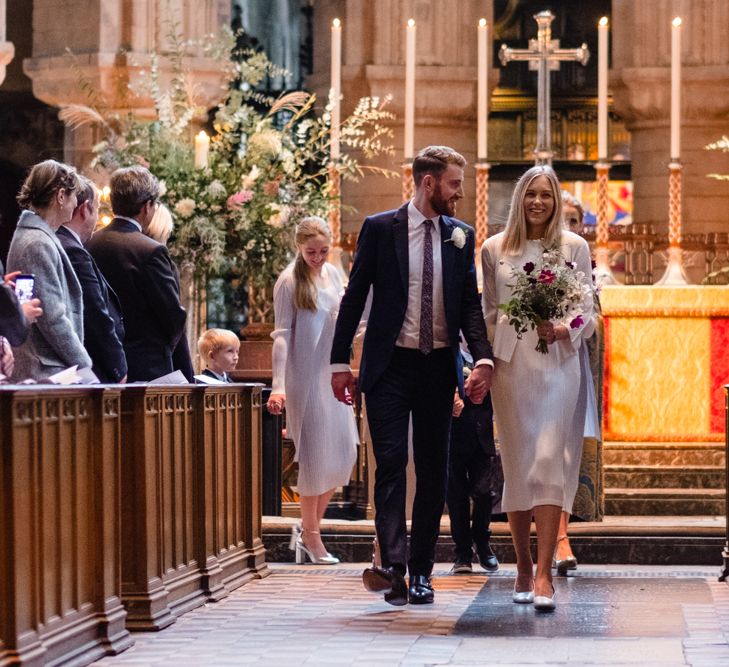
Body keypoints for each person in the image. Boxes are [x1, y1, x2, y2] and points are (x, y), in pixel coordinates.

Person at [330, 145, 493, 606]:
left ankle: (422, 570)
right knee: (391, 465)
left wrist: (482, 358)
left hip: (438, 367)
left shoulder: (460, 235)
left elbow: (469, 307)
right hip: (390, 367)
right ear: (429, 183)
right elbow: (355, 295)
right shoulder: (381, 229)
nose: (459, 194)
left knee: (433, 471)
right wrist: (339, 362)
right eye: (454, 184)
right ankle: (393, 566)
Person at [481, 165, 593, 612]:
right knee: (518, 465)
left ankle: (545, 573)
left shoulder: (574, 247)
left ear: (557, 199)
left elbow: (588, 308)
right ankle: (523, 566)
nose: (538, 202)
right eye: (531, 194)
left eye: (547, 195)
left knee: (549, 460)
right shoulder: (494, 249)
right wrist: (486, 360)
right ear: (519, 198)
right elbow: (488, 312)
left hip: (559, 366)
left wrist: (566, 329)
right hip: (512, 368)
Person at [267, 216, 358, 565]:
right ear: (298, 248)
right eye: (311, 252)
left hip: (331, 372)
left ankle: (308, 531)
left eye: (323, 250)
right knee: (315, 458)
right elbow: (281, 338)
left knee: (343, 452)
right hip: (304, 376)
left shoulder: (334, 274)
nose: (318, 257)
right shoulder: (289, 282)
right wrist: (278, 386)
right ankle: (311, 536)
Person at [86, 166, 192, 382]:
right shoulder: (151, 250)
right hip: (147, 368)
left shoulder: (89, 244)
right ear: (147, 206)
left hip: (101, 364)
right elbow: (172, 317)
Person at [553, 190, 603, 575]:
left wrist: (571, 326)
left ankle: (560, 535)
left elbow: (589, 319)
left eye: (573, 221)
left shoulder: (585, 259)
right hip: (533, 360)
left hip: (570, 358)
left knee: (566, 450)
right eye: (563, 218)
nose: (567, 227)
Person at [6, 160, 93, 381]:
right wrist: (85, 365)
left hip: (49, 367)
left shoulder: (38, 237)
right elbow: (53, 317)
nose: (76, 204)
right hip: (45, 371)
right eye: (74, 196)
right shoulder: (37, 242)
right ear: (61, 196)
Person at [56, 175, 128, 383]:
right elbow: (95, 314)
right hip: (92, 369)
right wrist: (118, 368)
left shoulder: (62, 242)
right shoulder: (73, 251)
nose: (97, 218)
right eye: (97, 209)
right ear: (85, 209)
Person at [447, 339, 500, 575]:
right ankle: (462, 552)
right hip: (453, 436)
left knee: (483, 493)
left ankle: (482, 541)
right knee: (456, 497)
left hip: (482, 436)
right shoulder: (447, 351)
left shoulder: (487, 356)